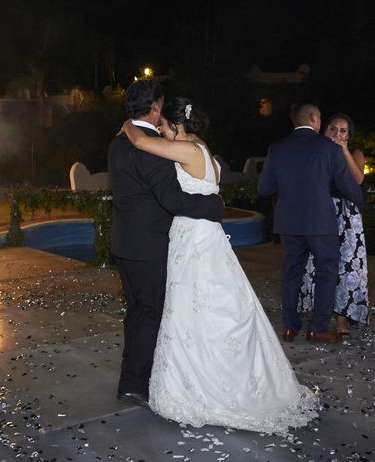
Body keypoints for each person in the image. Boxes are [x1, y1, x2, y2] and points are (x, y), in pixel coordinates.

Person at [122, 97, 318, 435]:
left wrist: (127, 124)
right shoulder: (205, 150)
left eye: (165, 127)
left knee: (194, 309)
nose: (163, 133)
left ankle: (202, 387)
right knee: (208, 305)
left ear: (177, 125)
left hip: (193, 239)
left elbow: (140, 141)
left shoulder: (185, 149)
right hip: (205, 236)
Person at [108, 80, 224, 409]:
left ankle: (131, 378)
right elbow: (173, 200)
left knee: (137, 312)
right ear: (156, 108)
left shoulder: (118, 142)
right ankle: (135, 383)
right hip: (149, 247)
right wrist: (215, 207)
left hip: (123, 241)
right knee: (149, 313)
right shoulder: (153, 147)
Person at [258, 103, 363, 344]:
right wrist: (359, 200)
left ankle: (289, 327)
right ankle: (317, 328)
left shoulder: (277, 148)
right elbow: (348, 186)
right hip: (320, 224)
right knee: (327, 272)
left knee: (291, 274)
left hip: (288, 223)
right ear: (315, 119)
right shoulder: (328, 148)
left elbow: (264, 189)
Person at [298, 114, 369, 333]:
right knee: (318, 263)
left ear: (349, 135)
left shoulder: (355, 153)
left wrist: (344, 151)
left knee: (347, 265)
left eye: (343, 130)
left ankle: (342, 318)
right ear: (324, 130)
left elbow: (358, 179)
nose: (337, 134)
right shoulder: (317, 151)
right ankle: (320, 311)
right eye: (333, 129)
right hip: (321, 212)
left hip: (347, 217)